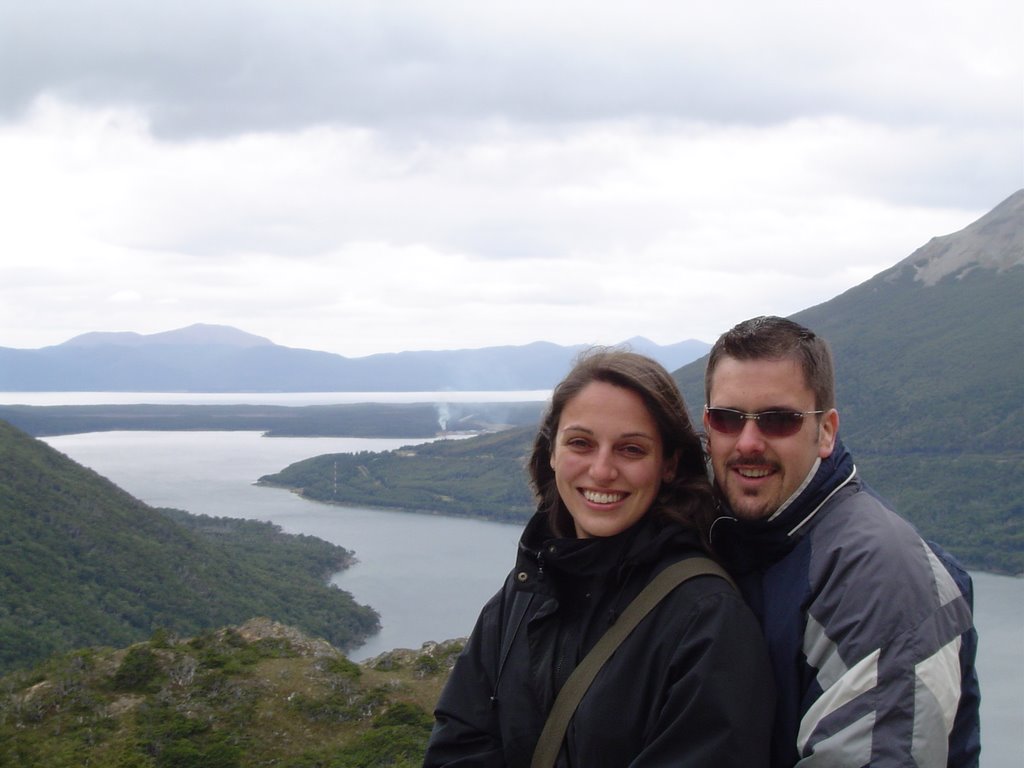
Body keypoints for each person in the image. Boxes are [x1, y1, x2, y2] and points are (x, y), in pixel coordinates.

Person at [424, 350, 775, 767]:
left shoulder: (707, 620)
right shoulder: (525, 591)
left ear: (669, 464)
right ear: (552, 452)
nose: (602, 470)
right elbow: (458, 746)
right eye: (580, 443)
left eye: (630, 449)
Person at [702, 316, 981, 767]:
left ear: (826, 431)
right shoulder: (731, 534)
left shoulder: (879, 575)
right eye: (727, 418)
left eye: (778, 420)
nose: (748, 442)